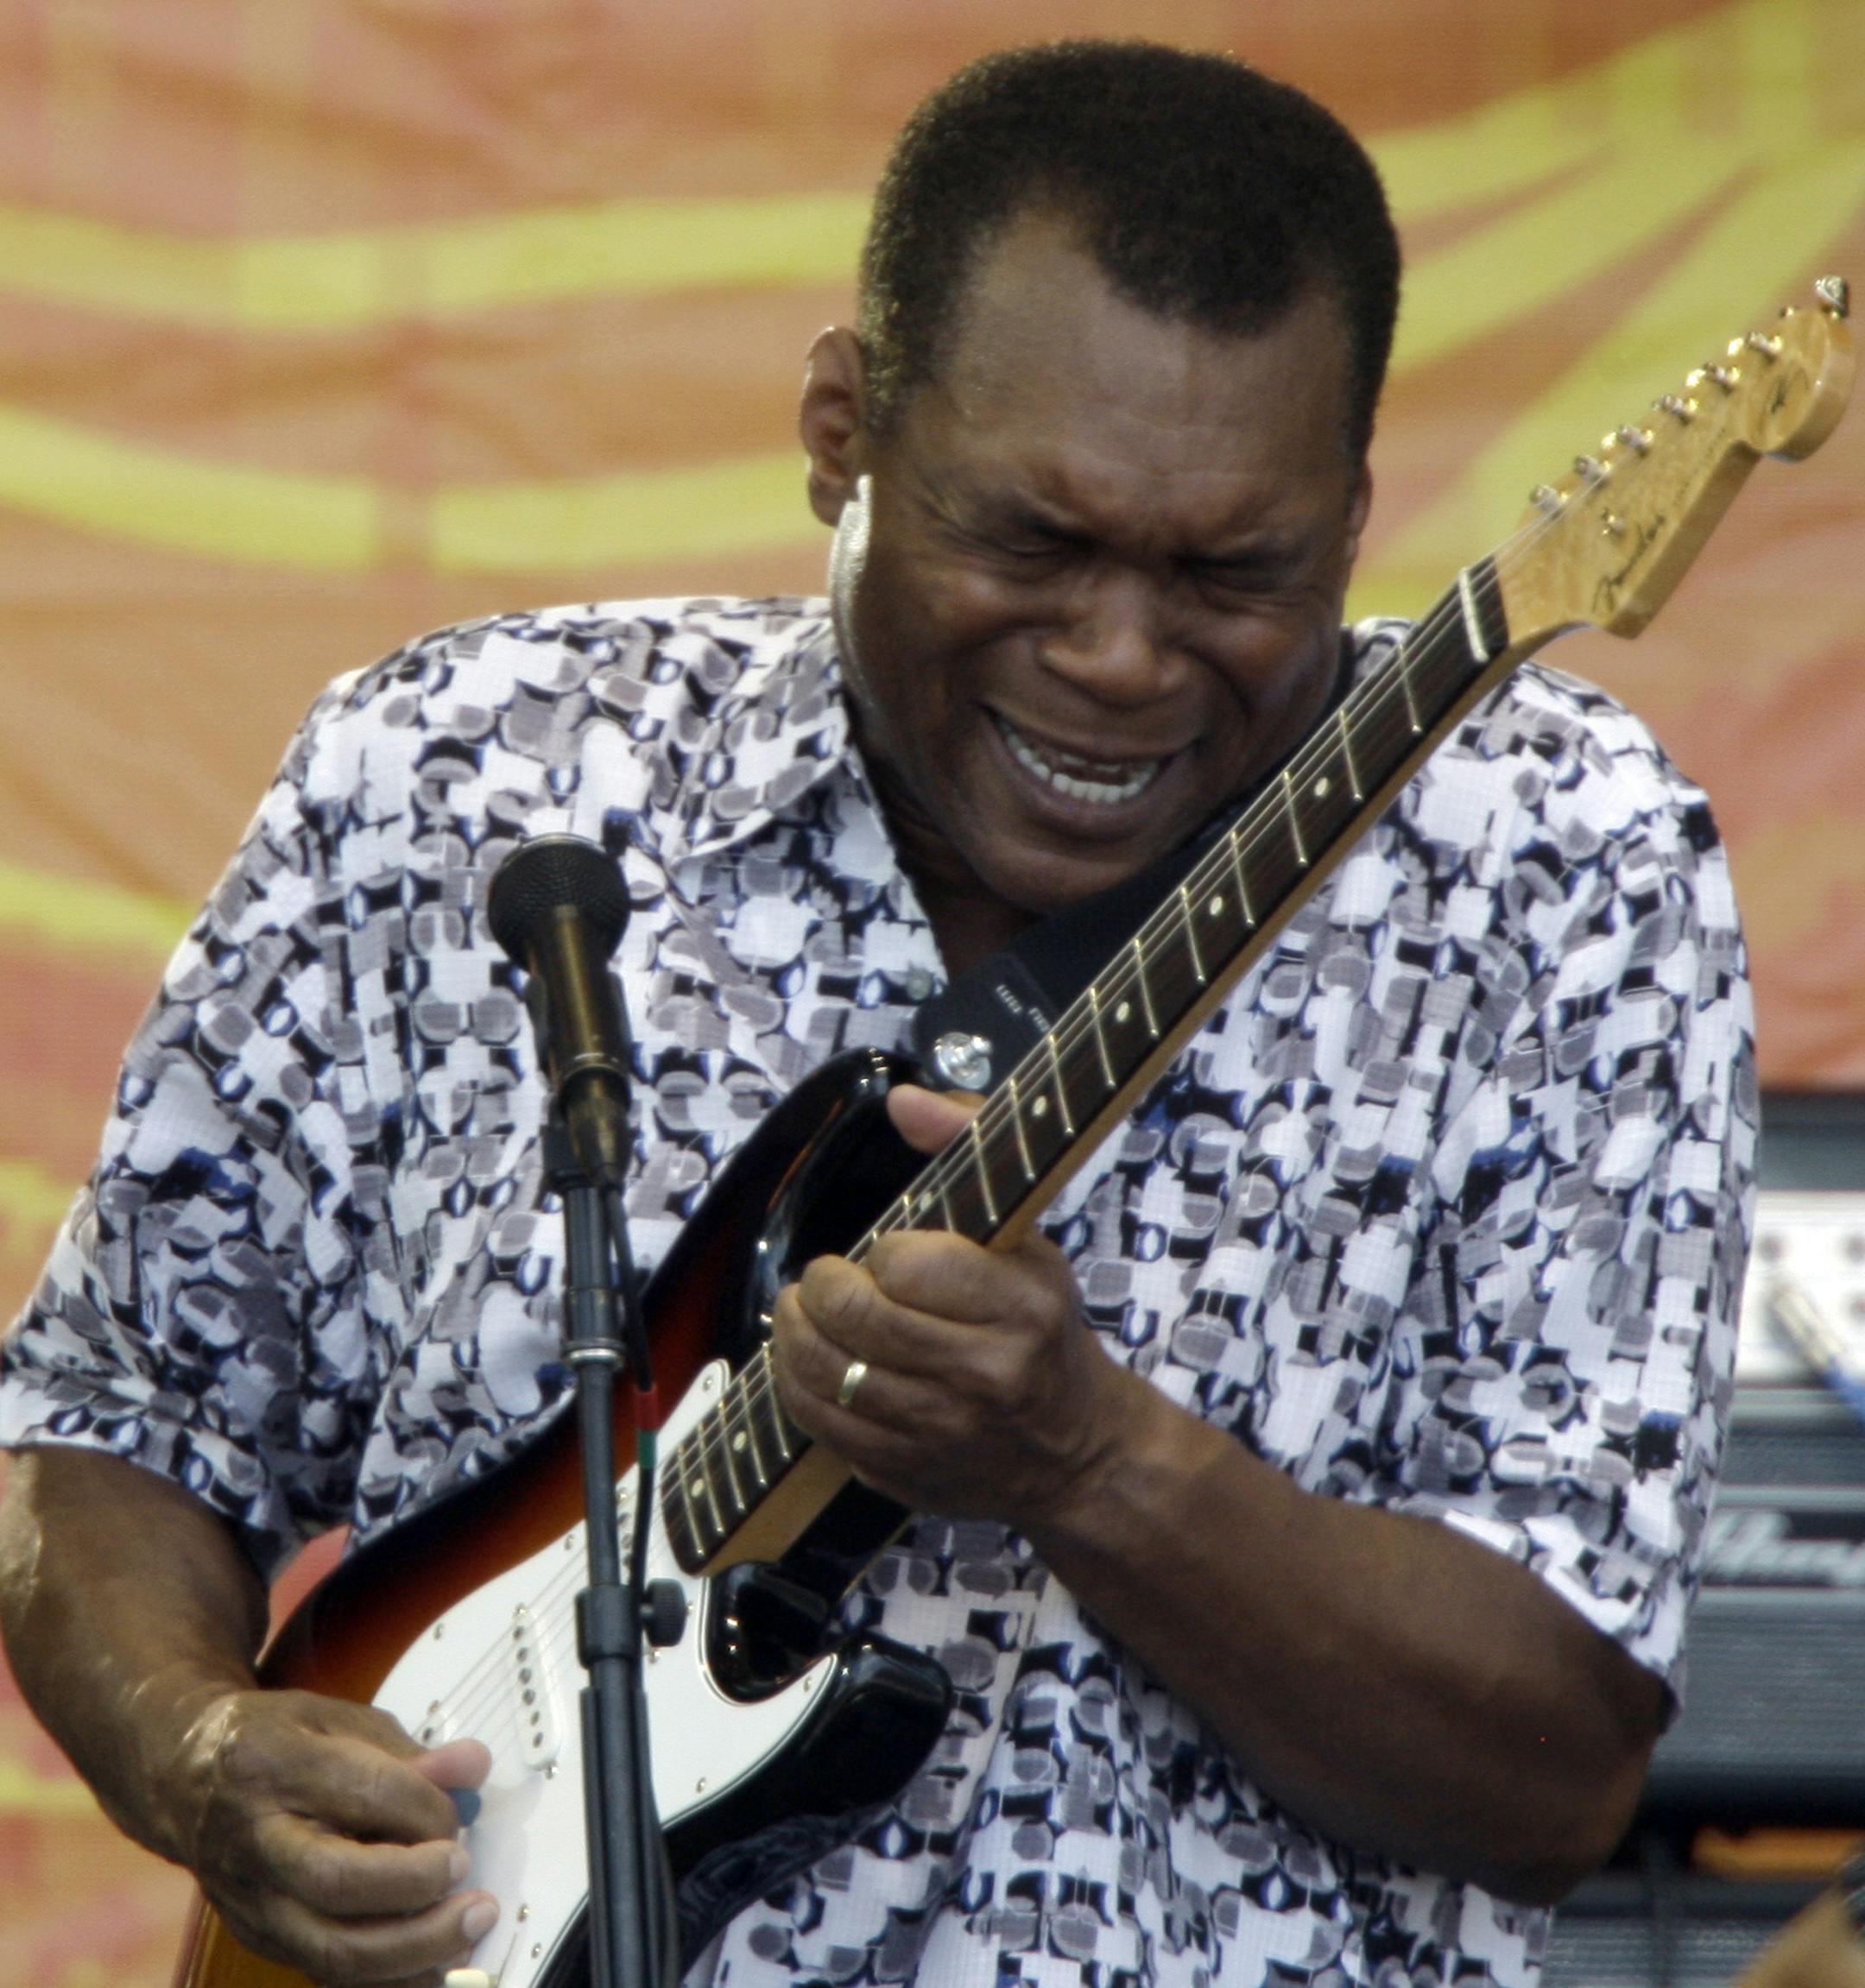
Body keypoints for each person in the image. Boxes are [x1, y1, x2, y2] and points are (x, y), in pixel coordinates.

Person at [0, 39, 1754, 1988]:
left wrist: (1091, 1463)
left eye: (1229, 573)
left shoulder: (1557, 870)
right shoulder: (467, 778)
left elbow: (1554, 1777)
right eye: (1031, 541)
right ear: (843, 427)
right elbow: (111, 1418)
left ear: (1351, 523)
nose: (1117, 657)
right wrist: (198, 1752)